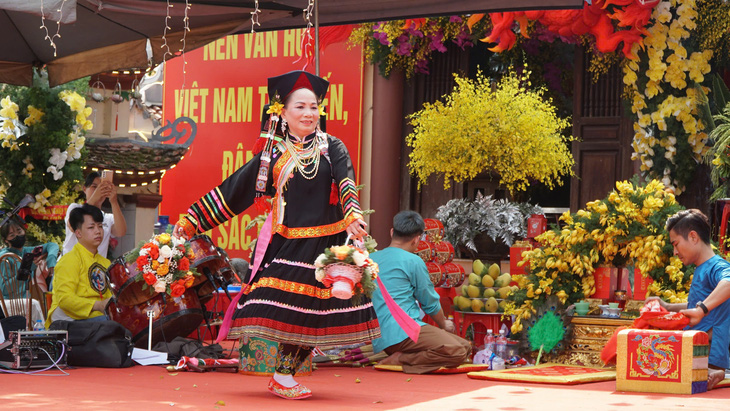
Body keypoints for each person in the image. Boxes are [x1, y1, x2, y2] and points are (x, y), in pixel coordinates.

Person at [173, 70, 379, 400]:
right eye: (300, 107)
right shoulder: (273, 155)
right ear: (282, 112)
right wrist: (191, 221)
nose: (309, 114)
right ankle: (282, 375)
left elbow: (347, 182)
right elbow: (233, 192)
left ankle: (283, 375)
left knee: (315, 312)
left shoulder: (332, 147)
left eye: (314, 107)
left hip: (329, 244)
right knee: (287, 306)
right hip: (291, 244)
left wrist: (353, 215)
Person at [370, 211, 471, 373]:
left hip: (381, 334)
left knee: (465, 347)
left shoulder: (370, 258)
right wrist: (443, 324)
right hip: (405, 330)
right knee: (457, 351)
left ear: (391, 232)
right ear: (417, 239)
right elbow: (429, 302)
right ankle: (401, 359)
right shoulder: (413, 261)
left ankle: (403, 355)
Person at [648, 209, 730, 390]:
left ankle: (715, 372)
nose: (675, 252)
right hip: (694, 347)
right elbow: (699, 305)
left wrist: (700, 310)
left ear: (693, 237)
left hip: (707, 352)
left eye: (676, 244)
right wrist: (667, 306)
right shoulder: (703, 268)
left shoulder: (717, 266)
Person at [46, 204, 112, 328]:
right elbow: (65, 299)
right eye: (91, 227)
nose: (98, 231)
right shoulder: (69, 260)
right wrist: (97, 305)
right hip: (69, 322)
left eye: (100, 226)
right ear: (78, 233)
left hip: (98, 319)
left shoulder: (106, 263)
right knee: (112, 325)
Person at [62, 171, 127, 258]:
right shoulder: (75, 208)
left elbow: (121, 232)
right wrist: (94, 198)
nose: (98, 191)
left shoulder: (107, 218)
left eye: (102, 188)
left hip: (94, 269)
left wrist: (114, 201)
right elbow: (73, 225)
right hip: (71, 266)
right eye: (94, 187)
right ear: (84, 189)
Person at [1, 217, 58, 297]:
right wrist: (27, 268)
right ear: (6, 240)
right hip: (14, 305)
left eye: (19, 231)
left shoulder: (26, 251)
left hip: (29, 300)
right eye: (12, 235)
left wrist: (51, 260)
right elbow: (4, 289)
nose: (17, 236)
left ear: (24, 230)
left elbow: (52, 245)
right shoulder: (5, 257)